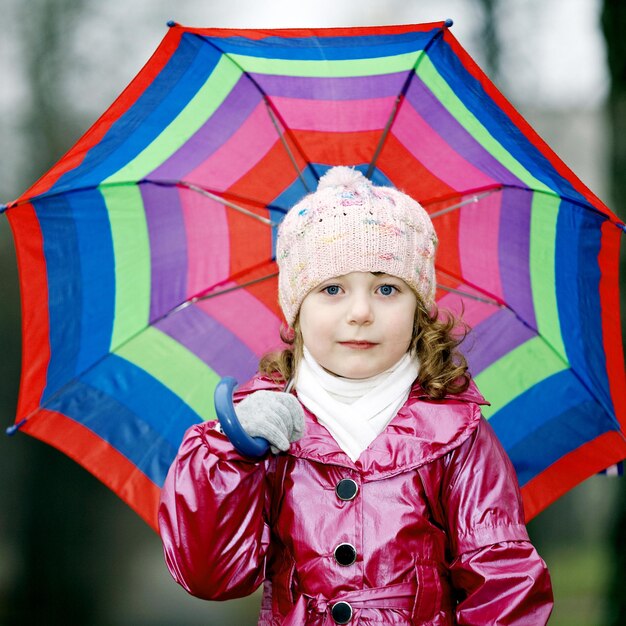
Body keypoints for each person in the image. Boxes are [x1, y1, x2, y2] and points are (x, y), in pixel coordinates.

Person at [158, 167, 553, 625]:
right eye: (332, 289)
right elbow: (211, 574)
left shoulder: (458, 437)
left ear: (418, 308)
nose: (361, 312)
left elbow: (503, 583)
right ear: (297, 310)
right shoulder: (262, 431)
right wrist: (232, 453)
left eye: (387, 288)